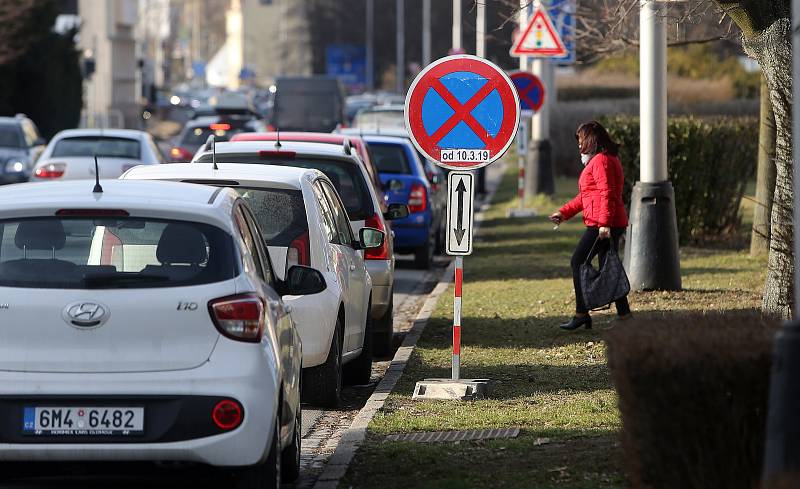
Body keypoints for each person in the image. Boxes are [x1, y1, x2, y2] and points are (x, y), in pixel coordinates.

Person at [549, 121, 632, 331]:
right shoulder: (601, 160)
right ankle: (624, 316)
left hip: (603, 224)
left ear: (591, 140)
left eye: (581, 140)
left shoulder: (602, 161)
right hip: (606, 222)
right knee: (609, 268)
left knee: (578, 261)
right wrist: (564, 213)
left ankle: (581, 313)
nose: (579, 145)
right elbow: (586, 197)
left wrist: (604, 224)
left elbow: (608, 194)